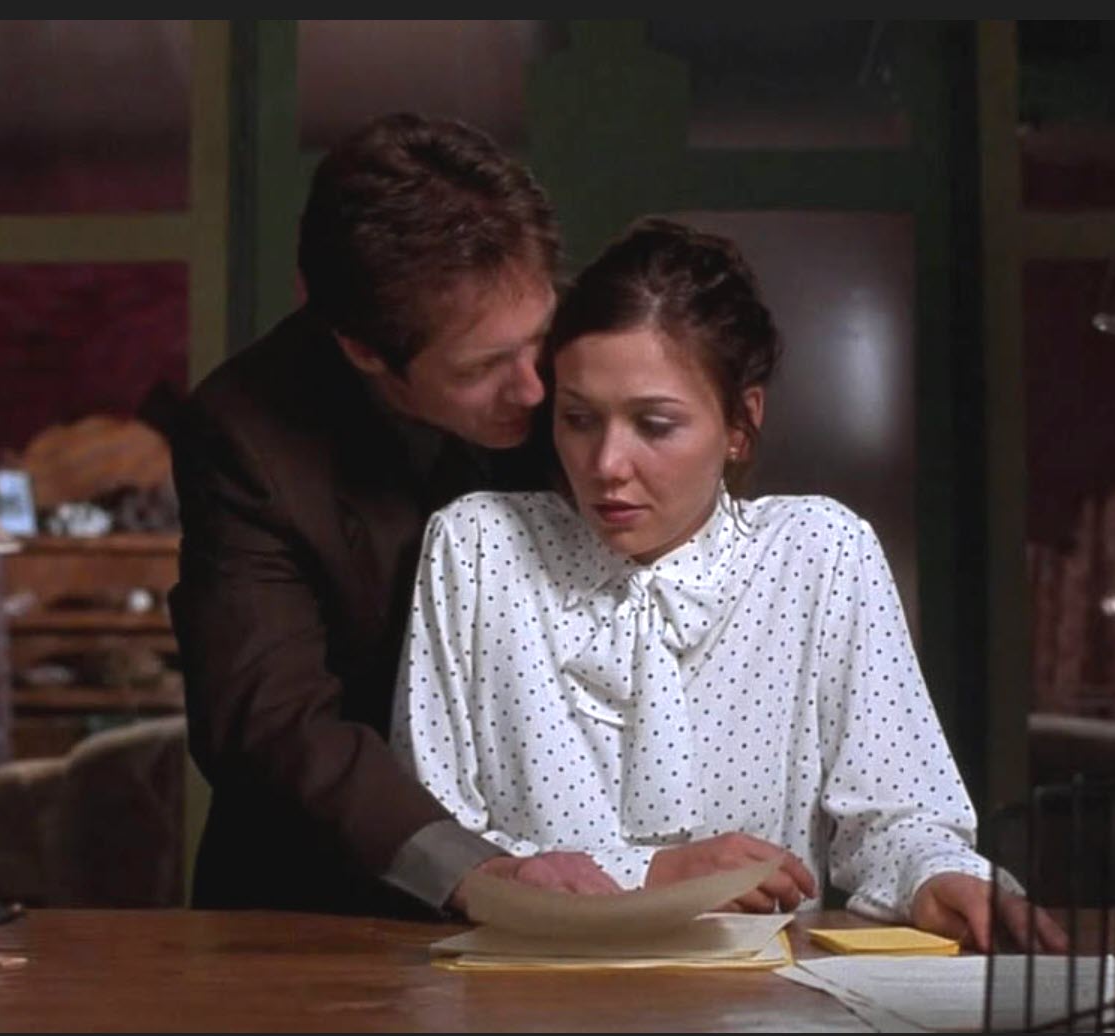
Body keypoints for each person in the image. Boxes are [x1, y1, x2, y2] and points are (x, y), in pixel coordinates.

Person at [392, 218, 1065, 949]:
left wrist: (940, 878)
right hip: (526, 988)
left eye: (654, 425)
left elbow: (894, 819)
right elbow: (438, 841)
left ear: (741, 424)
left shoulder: (819, 552)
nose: (606, 463)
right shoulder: (479, 546)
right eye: (578, 419)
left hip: (763, 992)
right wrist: (650, 873)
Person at [169, 113, 620, 918]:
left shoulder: (596, 353)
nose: (534, 389)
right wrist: (471, 870)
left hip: (591, 874)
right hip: (322, 899)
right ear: (364, 350)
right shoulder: (245, 433)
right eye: (481, 368)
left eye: (538, 339)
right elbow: (271, 720)